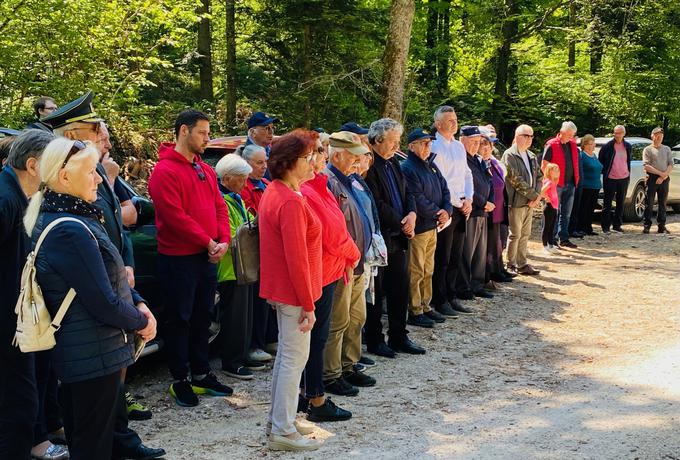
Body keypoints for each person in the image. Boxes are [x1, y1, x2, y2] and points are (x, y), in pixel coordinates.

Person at [44, 92, 165, 459]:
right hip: (92, 340)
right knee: (91, 436)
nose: (97, 178)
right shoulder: (67, 221)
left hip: (105, 329)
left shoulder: (81, 195)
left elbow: (118, 230)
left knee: (97, 426)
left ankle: (122, 438)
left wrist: (133, 289)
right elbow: (97, 298)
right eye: (94, 132)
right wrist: (140, 318)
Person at [148, 109, 233, 407]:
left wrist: (223, 240)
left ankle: (201, 372)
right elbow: (175, 218)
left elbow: (219, 207)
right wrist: (208, 241)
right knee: (179, 319)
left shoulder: (205, 169)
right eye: (203, 133)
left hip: (206, 257)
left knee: (202, 317)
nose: (207, 139)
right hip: (178, 259)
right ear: (184, 131)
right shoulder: (164, 171)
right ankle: (180, 378)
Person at [258, 131, 323, 452]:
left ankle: (279, 419)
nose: (312, 162)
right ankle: (282, 429)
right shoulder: (288, 200)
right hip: (294, 293)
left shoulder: (278, 191)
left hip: (285, 291)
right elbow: (296, 260)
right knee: (292, 359)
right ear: (289, 163)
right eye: (307, 157)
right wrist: (308, 304)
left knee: (288, 357)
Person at [0, 129, 56, 460]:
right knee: (18, 410)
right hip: (7, 328)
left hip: (15, 324)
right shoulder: (6, 200)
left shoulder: (17, 195)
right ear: (34, 165)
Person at [299, 130, 358, 421]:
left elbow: (338, 224)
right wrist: (354, 253)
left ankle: (306, 393)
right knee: (316, 339)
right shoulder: (308, 190)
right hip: (320, 274)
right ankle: (316, 400)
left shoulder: (320, 185)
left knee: (316, 338)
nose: (323, 155)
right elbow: (333, 233)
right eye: (320, 151)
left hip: (329, 269)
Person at [364, 118, 425, 356]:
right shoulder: (369, 166)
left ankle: (399, 336)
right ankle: (375, 339)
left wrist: (411, 214)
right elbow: (375, 203)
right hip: (382, 238)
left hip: (400, 236)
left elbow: (408, 192)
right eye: (392, 141)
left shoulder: (394, 164)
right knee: (377, 294)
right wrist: (402, 222)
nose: (396, 146)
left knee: (400, 289)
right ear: (378, 140)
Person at [322, 131, 375, 396]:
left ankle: (348, 365)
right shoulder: (329, 181)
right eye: (353, 157)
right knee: (338, 321)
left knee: (356, 317)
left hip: (356, 262)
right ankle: (330, 374)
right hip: (342, 264)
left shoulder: (350, 180)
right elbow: (333, 229)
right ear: (338, 154)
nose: (357, 162)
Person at [400, 128, 451, 328]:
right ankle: (415, 309)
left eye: (429, 142)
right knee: (416, 269)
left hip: (433, 226)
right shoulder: (408, 168)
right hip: (420, 226)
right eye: (423, 143)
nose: (428, 146)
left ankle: (425, 305)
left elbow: (445, 189)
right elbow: (416, 198)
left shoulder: (432, 165)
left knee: (428, 268)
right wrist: (438, 212)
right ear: (412, 146)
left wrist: (446, 209)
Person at [214, 154, 258, 380]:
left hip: (245, 265)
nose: (244, 184)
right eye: (241, 179)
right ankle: (231, 361)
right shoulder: (221, 200)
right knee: (233, 316)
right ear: (227, 178)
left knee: (246, 314)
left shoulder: (236, 198)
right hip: (230, 267)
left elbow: (246, 222)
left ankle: (244, 352)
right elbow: (231, 233)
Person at [430, 106, 474, 317]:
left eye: (455, 119)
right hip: (445, 207)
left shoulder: (458, 146)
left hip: (461, 207)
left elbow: (466, 174)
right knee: (443, 257)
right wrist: (455, 202)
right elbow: (441, 180)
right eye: (449, 120)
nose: (454, 123)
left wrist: (469, 198)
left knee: (456, 254)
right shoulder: (434, 146)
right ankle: (439, 299)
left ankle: (451, 294)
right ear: (438, 124)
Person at [238, 143, 276, 364]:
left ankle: (269, 338)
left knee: (268, 299)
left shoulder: (266, 184)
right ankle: (255, 344)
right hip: (253, 252)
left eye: (265, 162)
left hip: (269, 250)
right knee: (255, 300)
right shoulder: (243, 189)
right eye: (259, 163)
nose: (264, 166)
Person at [457, 126, 495, 300]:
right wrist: (483, 202)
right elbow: (466, 187)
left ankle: (477, 284)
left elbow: (489, 181)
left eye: (477, 142)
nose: (475, 145)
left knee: (480, 251)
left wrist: (491, 201)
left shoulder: (478, 160)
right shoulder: (461, 159)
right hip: (472, 210)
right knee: (468, 251)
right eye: (472, 142)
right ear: (462, 140)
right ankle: (464, 287)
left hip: (483, 211)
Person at [502, 124, 542, 276]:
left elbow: (539, 176)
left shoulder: (531, 156)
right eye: (526, 136)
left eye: (531, 136)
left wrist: (537, 196)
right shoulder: (509, 155)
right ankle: (510, 264)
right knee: (515, 234)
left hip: (530, 202)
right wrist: (533, 195)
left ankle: (522, 263)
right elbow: (514, 179)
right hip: (516, 201)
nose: (530, 139)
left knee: (525, 234)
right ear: (518, 136)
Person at [478, 128, 512, 287]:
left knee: (497, 242)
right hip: (486, 210)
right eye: (483, 144)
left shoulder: (495, 163)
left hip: (498, 209)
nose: (486, 148)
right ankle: (488, 275)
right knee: (487, 246)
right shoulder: (478, 164)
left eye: (489, 145)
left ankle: (498, 270)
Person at [542, 121, 580, 248]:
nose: (571, 137)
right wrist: (549, 182)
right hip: (555, 185)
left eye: (572, 135)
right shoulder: (551, 144)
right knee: (553, 213)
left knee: (566, 213)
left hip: (570, 183)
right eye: (569, 134)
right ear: (562, 132)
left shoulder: (573, 145)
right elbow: (544, 165)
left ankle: (563, 238)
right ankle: (550, 240)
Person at [597, 125, 631, 234]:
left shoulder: (628, 146)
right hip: (611, 178)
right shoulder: (607, 146)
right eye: (615, 133)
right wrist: (605, 173)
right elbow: (600, 161)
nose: (617, 135)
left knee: (621, 203)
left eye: (619, 133)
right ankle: (605, 227)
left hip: (624, 178)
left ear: (624, 134)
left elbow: (628, 160)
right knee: (607, 203)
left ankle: (617, 225)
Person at [642, 127, 673, 234]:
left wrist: (664, 176)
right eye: (657, 135)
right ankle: (647, 226)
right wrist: (660, 174)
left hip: (665, 178)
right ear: (652, 136)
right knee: (649, 203)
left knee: (662, 203)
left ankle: (661, 226)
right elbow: (646, 166)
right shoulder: (648, 149)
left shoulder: (667, 149)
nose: (659, 137)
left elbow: (670, 164)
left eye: (661, 136)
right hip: (652, 178)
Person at [575, 135, 602, 236]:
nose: (592, 146)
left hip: (596, 186)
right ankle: (580, 228)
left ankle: (588, 228)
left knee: (591, 208)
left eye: (593, 144)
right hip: (586, 186)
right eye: (589, 144)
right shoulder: (582, 155)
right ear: (584, 145)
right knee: (583, 208)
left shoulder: (594, 155)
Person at [541, 163, 561, 254]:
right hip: (549, 207)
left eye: (558, 170)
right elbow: (541, 191)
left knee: (552, 227)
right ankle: (545, 246)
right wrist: (546, 197)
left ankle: (550, 245)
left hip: (554, 207)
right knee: (547, 227)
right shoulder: (548, 182)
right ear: (549, 172)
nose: (557, 172)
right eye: (555, 170)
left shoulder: (553, 182)